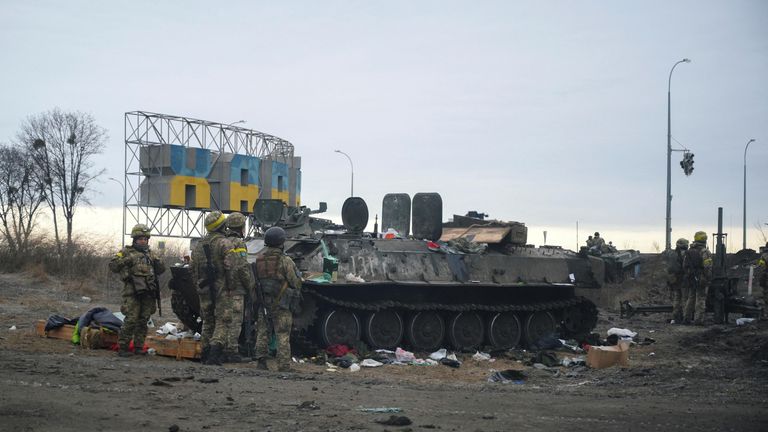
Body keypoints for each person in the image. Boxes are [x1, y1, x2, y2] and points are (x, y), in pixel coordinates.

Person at [109, 224, 166, 357]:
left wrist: (157, 262)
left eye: (145, 239)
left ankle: (139, 347)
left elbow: (161, 270)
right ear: (135, 239)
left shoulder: (151, 254)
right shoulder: (126, 252)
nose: (143, 241)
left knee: (143, 320)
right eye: (140, 238)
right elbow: (113, 265)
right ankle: (123, 347)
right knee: (131, 319)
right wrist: (129, 259)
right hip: (132, 292)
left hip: (148, 293)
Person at [253, 226, 302, 372]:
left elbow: (253, 283)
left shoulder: (259, 259)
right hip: (281, 303)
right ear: (281, 242)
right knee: (282, 334)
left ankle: (261, 362)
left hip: (264, 303)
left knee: (263, 332)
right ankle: (283, 365)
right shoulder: (285, 260)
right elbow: (295, 282)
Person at [209, 212, 254, 363]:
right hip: (236, 288)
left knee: (223, 320)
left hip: (222, 287)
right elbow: (242, 267)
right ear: (242, 227)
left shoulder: (223, 241)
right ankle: (232, 351)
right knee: (235, 320)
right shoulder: (239, 244)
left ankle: (222, 350)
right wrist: (249, 286)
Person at [190, 211, 227, 364]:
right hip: (221, 288)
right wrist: (230, 286)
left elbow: (192, 268)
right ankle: (214, 354)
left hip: (203, 287)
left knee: (208, 321)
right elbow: (232, 267)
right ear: (222, 226)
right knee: (222, 321)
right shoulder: (224, 243)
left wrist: (198, 284)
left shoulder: (199, 245)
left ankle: (204, 353)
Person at [683, 231, 712, 325]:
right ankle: (698, 320)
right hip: (701, 277)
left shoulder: (689, 251)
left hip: (690, 277)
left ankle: (686, 318)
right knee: (700, 298)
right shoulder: (704, 251)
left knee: (691, 297)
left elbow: (684, 265)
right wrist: (708, 277)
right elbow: (708, 266)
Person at [665, 238, 689, 323]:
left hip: (674, 279)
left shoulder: (671, 253)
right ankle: (685, 317)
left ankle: (675, 316)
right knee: (685, 299)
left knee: (677, 298)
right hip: (683, 279)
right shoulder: (685, 254)